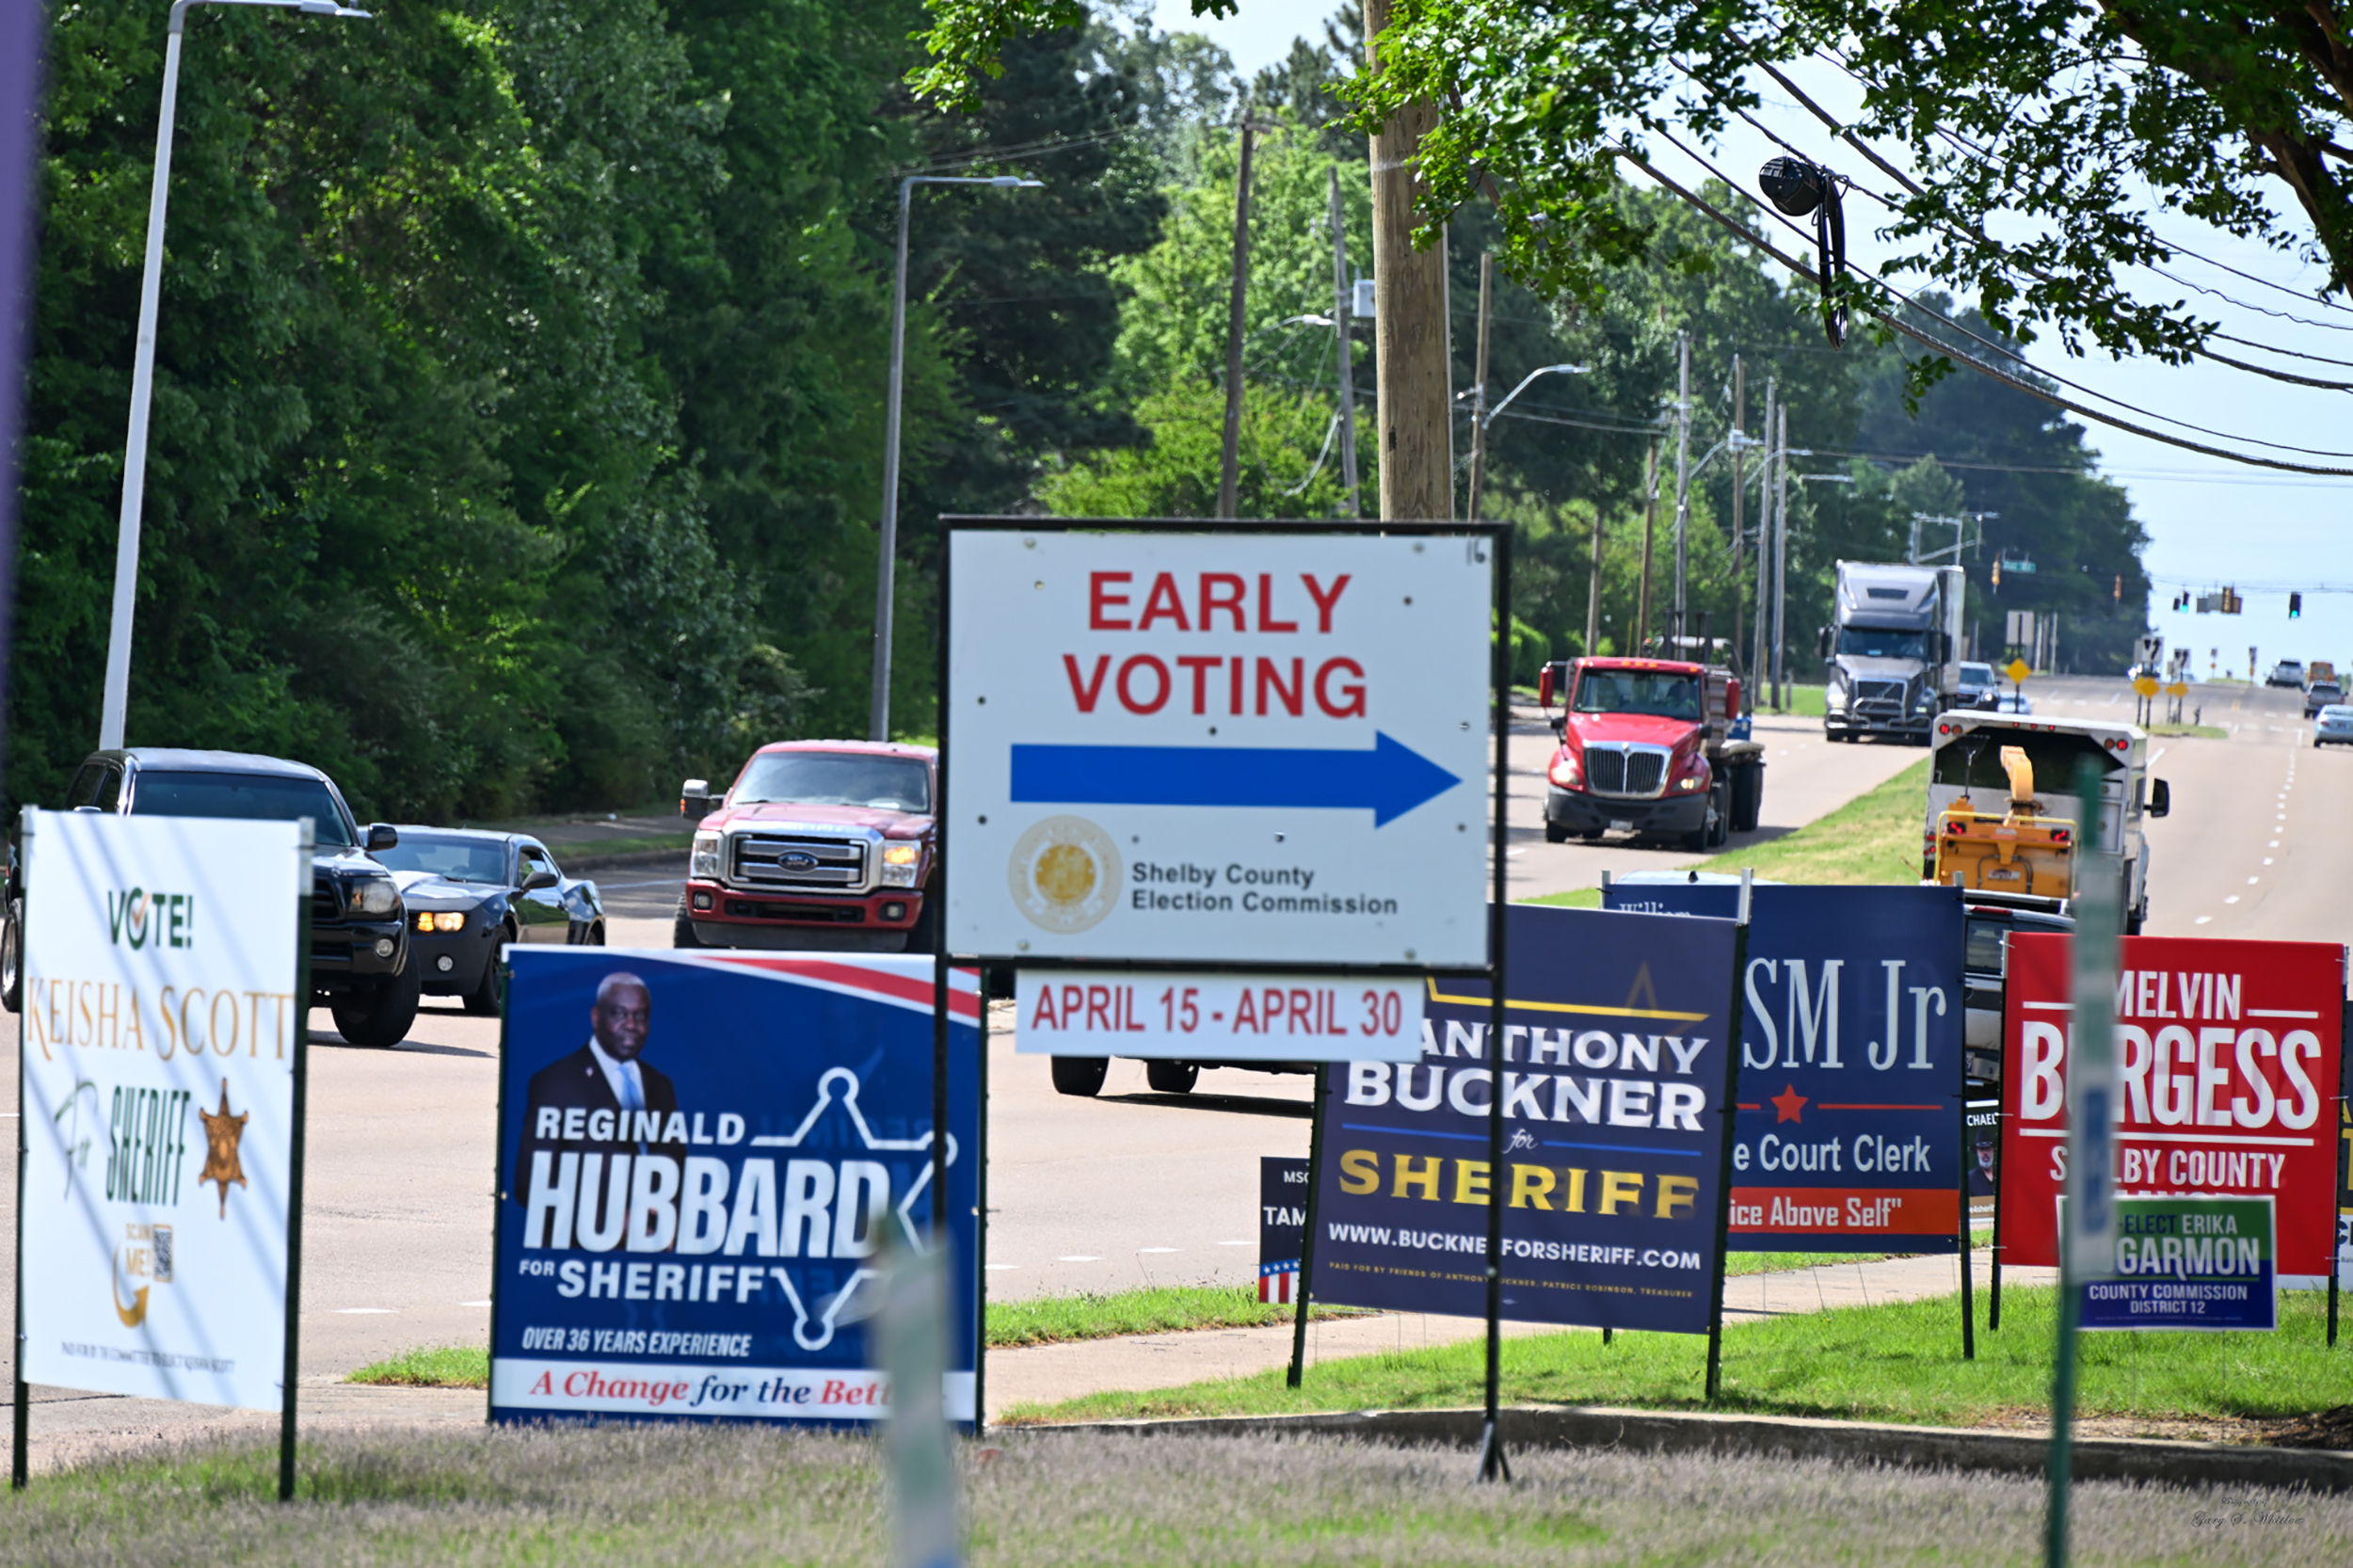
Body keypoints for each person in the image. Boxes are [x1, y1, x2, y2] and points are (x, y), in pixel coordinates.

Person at [521, 970, 687, 1177]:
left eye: (640, 1015)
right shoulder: (554, 1081)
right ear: (595, 1016)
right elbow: (531, 1178)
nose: (631, 1025)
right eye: (619, 1013)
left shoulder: (661, 1084)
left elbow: (678, 1169)